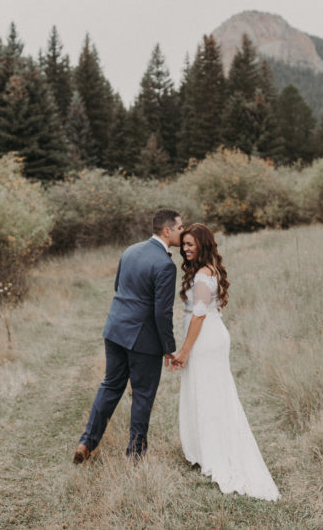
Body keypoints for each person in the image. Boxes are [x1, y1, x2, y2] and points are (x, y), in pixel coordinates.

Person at [170, 223, 280, 501]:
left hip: (205, 340)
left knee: (209, 395)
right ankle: (206, 447)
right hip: (212, 337)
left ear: (203, 244)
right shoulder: (208, 270)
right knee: (209, 393)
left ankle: (215, 451)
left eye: (190, 244)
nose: (185, 249)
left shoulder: (204, 275)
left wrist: (183, 351)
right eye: (183, 244)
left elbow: (199, 316)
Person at [73, 209, 183, 463]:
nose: (182, 232)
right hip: (143, 340)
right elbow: (162, 313)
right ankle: (135, 454)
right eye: (179, 228)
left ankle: (86, 443)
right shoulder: (165, 265)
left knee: (110, 385)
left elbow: (118, 289)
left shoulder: (130, 250)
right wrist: (169, 347)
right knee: (143, 394)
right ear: (167, 231)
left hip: (115, 331)